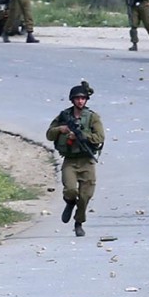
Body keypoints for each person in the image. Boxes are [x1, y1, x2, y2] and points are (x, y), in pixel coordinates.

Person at [46, 81, 105, 237]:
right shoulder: (64, 116)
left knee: (85, 196)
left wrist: (81, 136)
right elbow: (49, 134)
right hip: (70, 161)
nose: (80, 101)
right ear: (72, 100)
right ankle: (70, 202)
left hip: (87, 161)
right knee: (71, 190)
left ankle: (78, 223)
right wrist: (61, 129)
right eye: (77, 98)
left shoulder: (92, 117)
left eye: (83, 98)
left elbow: (100, 137)